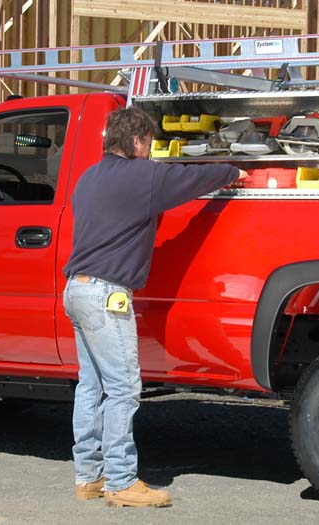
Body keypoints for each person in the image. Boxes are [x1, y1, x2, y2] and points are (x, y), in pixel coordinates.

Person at [62, 107, 246, 508]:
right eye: (148, 143)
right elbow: (192, 178)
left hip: (76, 290)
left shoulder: (88, 178)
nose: (151, 150)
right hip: (106, 295)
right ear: (136, 141)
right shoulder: (143, 175)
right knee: (124, 389)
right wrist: (233, 171)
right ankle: (122, 481)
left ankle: (88, 477)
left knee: (92, 388)